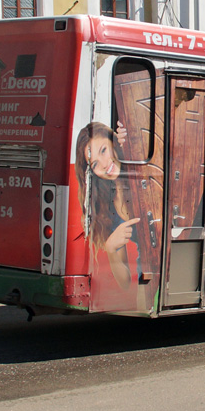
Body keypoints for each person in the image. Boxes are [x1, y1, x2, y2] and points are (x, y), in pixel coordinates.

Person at [74, 121, 139, 290]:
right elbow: (124, 282)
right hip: (150, 276)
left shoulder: (138, 166)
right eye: (94, 164)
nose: (104, 164)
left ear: (113, 141)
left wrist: (132, 135)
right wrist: (111, 247)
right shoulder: (106, 206)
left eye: (103, 150)